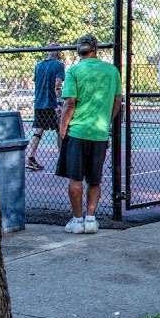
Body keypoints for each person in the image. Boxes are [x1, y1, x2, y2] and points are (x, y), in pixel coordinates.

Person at [56, 35, 121, 234]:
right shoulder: (112, 71)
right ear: (95, 49)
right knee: (95, 179)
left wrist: (63, 128)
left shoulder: (74, 71)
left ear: (79, 50)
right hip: (99, 133)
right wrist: (106, 121)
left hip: (77, 132)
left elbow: (69, 103)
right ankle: (91, 219)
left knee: (75, 179)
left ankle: (77, 220)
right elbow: (117, 101)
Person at [26, 45, 66, 171]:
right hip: (52, 103)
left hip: (39, 102)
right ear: (58, 52)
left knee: (38, 131)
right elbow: (57, 85)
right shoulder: (59, 65)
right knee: (60, 130)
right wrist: (59, 103)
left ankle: (30, 157)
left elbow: (36, 82)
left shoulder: (38, 65)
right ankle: (62, 161)